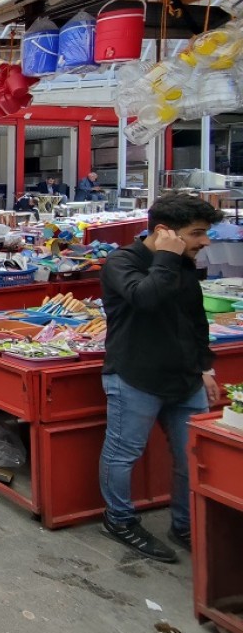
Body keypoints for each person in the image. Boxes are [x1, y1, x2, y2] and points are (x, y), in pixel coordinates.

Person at [99, 194, 222, 563]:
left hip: (185, 378)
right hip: (134, 375)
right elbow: (145, 299)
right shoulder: (122, 262)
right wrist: (167, 257)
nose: (205, 241)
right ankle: (119, 519)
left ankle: (184, 524)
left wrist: (205, 368)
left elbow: (195, 320)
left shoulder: (183, 263)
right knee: (124, 454)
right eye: (197, 233)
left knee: (192, 456)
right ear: (165, 231)